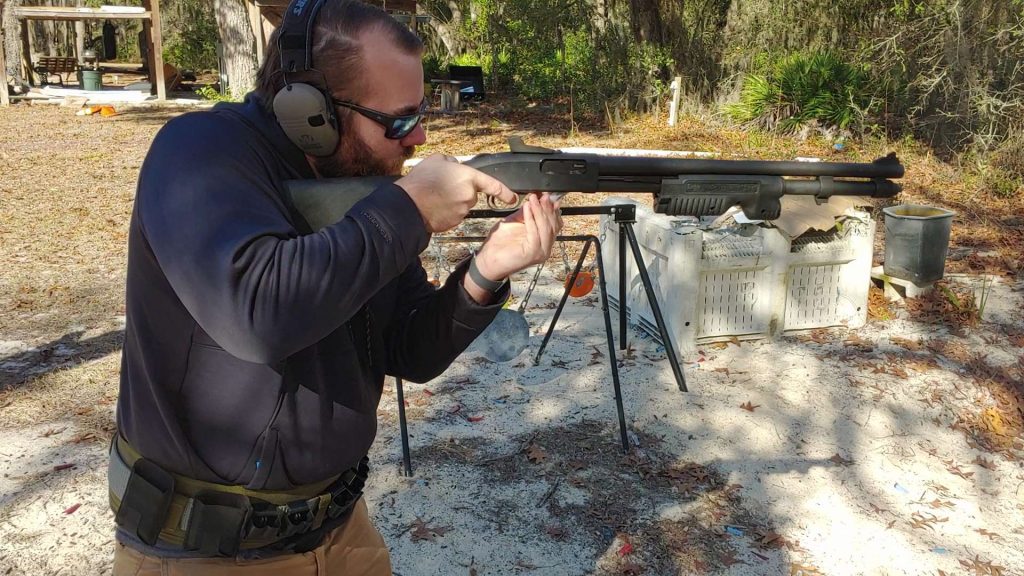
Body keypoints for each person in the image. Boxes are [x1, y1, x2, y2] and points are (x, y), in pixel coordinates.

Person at [108, 1, 562, 574]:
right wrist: (407, 211)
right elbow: (258, 315)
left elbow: (410, 349)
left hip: (341, 529)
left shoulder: (358, 185)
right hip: (206, 551)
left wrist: (487, 269)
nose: (418, 137)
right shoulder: (197, 151)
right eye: (399, 121)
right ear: (310, 113)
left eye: (419, 115)